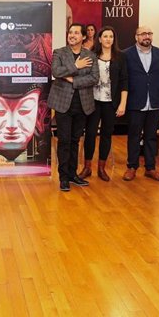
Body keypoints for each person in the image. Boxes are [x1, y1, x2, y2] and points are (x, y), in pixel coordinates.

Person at [49, 23, 99, 191]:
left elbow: (94, 78)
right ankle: (63, 178)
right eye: (70, 32)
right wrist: (76, 66)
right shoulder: (59, 52)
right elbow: (56, 72)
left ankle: (72, 175)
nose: (72, 35)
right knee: (64, 141)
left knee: (75, 141)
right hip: (63, 104)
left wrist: (72, 79)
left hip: (83, 104)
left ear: (83, 37)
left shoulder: (90, 55)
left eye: (76, 33)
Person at [123, 25, 159, 182]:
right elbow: (124, 79)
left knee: (151, 136)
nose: (147, 36)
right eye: (143, 34)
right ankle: (132, 167)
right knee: (134, 136)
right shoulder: (126, 55)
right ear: (136, 37)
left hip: (155, 102)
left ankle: (150, 168)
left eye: (149, 33)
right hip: (135, 102)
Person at [81, 26, 127, 181]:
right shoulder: (91, 55)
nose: (108, 39)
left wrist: (122, 104)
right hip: (93, 101)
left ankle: (101, 168)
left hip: (111, 103)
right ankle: (87, 167)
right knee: (90, 134)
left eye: (111, 36)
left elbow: (124, 82)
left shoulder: (120, 57)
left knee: (106, 135)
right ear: (99, 39)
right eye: (105, 36)